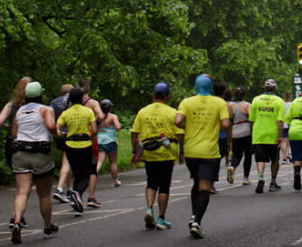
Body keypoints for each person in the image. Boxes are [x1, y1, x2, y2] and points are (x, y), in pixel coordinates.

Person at [175, 74, 231, 238]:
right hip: (209, 151)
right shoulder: (219, 102)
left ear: (196, 87)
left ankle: (194, 215)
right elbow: (226, 124)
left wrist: (189, 124)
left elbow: (177, 121)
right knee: (205, 187)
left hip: (191, 150)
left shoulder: (186, 102)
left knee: (197, 182)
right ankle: (197, 222)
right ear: (211, 88)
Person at [9, 81, 59, 244]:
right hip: (40, 153)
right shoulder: (46, 109)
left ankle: (17, 222)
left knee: (22, 191)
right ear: (41, 95)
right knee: (43, 194)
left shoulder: (19, 111)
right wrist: (57, 132)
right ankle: (47, 226)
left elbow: (15, 133)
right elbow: (51, 126)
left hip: (20, 153)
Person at [131, 82, 184, 230]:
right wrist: (182, 152)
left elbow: (134, 133)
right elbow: (180, 134)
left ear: (154, 96)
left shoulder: (143, 112)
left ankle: (149, 209)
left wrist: (134, 152)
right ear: (167, 97)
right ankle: (161, 218)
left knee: (151, 182)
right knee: (164, 185)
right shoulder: (172, 112)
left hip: (148, 152)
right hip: (166, 153)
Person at [0, 76, 32, 228]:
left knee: (19, 180)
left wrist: (8, 128)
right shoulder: (33, 107)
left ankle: (18, 215)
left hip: (11, 144)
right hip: (27, 145)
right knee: (25, 183)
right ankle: (16, 215)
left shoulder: (10, 105)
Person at [56, 87, 97, 216]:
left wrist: (62, 135)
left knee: (76, 172)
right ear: (81, 98)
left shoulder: (66, 113)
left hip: (70, 146)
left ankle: (76, 205)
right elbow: (94, 130)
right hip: (85, 145)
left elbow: (57, 129)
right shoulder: (88, 111)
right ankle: (77, 193)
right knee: (86, 174)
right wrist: (89, 137)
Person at [248, 79, 285, 194]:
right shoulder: (279, 101)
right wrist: (280, 135)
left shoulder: (256, 100)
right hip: (272, 135)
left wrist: (255, 131)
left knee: (260, 159)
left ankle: (260, 177)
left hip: (259, 134)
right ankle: (273, 183)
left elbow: (251, 120)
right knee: (275, 159)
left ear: (264, 88)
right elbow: (280, 121)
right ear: (275, 88)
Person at [77, 78, 105, 208]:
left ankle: (76, 195)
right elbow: (100, 116)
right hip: (89, 135)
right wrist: (96, 124)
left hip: (75, 136)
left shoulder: (73, 103)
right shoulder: (92, 103)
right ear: (88, 88)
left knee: (78, 168)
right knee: (92, 168)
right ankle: (91, 197)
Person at [50, 84, 73, 204]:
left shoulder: (54, 102)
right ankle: (59, 188)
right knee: (67, 161)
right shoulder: (74, 101)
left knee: (66, 159)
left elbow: (50, 117)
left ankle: (69, 190)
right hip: (70, 133)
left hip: (58, 134)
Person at [95, 99, 122, 188]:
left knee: (99, 162)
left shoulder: (97, 117)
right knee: (113, 162)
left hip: (99, 141)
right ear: (110, 108)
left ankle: (91, 177)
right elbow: (118, 127)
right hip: (110, 141)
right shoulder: (113, 116)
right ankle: (115, 181)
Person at [229, 86, 252, 185]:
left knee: (237, 155)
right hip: (246, 132)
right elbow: (251, 118)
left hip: (235, 133)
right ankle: (245, 178)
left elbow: (229, 119)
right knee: (248, 155)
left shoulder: (230, 106)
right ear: (244, 95)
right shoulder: (247, 105)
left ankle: (232, 167)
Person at [280, 91, 293, 165]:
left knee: (283, 141)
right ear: (290, 97)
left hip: (282, 125)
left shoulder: (282, 104)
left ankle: (285, 157)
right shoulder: (291, 104)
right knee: (287, 141)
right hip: (289, 124)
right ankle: (289, 154)